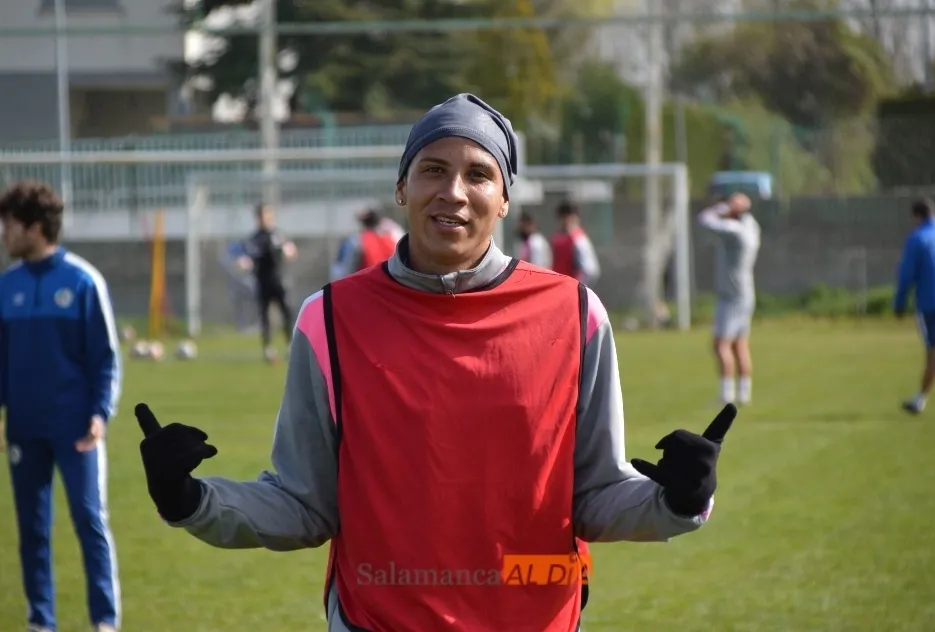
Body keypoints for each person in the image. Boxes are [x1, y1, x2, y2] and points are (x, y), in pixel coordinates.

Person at [133, 93, 737, 632]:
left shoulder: (575, 314)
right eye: (433, 169)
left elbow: (595, 494)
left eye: (479, 174)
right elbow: (304, 502)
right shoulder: (331, 319)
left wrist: (679, 500)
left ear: (505, 199)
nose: (454, 191)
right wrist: (190, 498)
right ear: (402, 187)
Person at [0, 180, 122, 632]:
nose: (4, 234)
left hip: (76, 427)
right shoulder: (6, 287)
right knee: (31, 529)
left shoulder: (83, 281)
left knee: (89, 520)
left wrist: (100, 414)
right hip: (24, 425)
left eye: (9, 225)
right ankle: (40, 621)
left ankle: (104, 621)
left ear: (34, 227)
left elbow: (106, 358)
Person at [697, 192, 761, 406]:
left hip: (731, 295)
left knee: (720, 344)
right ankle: (744, 394)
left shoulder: (735, 231)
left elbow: (704, 220)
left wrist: (723, 208)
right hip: (745, 292)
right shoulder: (751, 227)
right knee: (740, 345)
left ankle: (726, 396)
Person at [894, 197, 935, 415]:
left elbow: (907, 274)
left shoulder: (918, 239)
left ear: (918, 216)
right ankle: (919, 399)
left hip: (932, 303)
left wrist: (900, 303)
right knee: (933, 353)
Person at [238, 203, 298, 363]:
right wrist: (244, 263)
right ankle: (268, 349)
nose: (265, 218)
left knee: (287, 313)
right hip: (263, 281)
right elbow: (247, 258)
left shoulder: (280, 234)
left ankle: (291, 346)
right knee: (265, 316)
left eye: (267, 214)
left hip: (280, 280)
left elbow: (291, 251)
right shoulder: (254, 239)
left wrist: (290, 252)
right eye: (262, 215)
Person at [331, 209, 400, 280]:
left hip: (366, 282)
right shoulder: (391, 240)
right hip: (387, 282)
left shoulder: (357, 240)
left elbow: (345, 269)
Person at [550, 201, 601, 286]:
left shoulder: (579, 240)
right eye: (563, 217)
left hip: (571, 288)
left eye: (569, 217)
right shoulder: (556, 238)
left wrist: (577, 287)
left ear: (576, 218)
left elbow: (590, 271)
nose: (566, 221)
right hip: (558, 286)